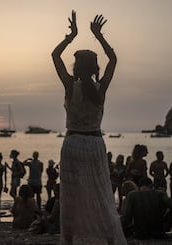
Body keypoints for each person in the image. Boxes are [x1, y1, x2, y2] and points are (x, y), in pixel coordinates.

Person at [52, 10, 127, 244]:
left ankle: (72, 239)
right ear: (95, 69)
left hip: (72, 143)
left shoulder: (68, 86)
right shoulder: (100, 89)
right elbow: (113, 60)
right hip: (94, 143)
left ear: (75, 68)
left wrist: (71, 36)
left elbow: (55, 56)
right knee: (100, 194)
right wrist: (99, 35)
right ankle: (106, 238)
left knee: (72, 197)